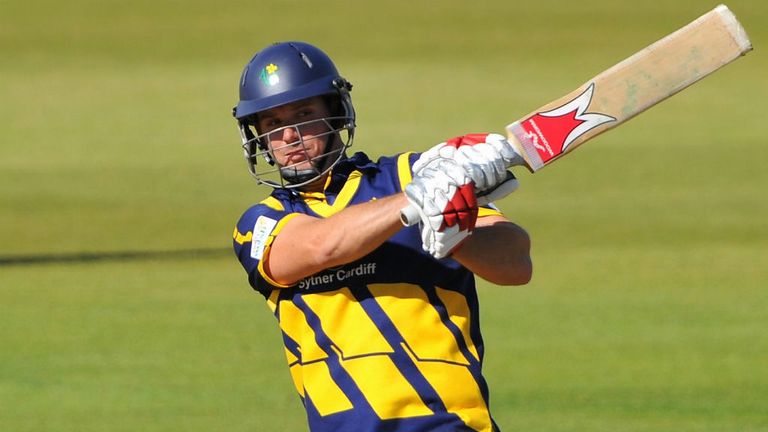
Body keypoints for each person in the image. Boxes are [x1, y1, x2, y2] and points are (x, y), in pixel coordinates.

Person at [231, 41, 532, 432]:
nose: (289, 136)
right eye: (272, 124)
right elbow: (321, 246)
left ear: (336, 114)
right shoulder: (262, 222)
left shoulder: (413, 173)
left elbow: (515, 264)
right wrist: (416, 201)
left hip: (451, 424)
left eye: (304, 115)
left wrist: (457, 234)